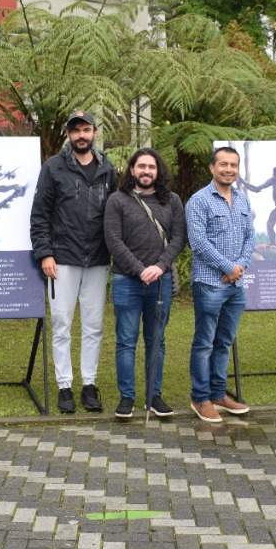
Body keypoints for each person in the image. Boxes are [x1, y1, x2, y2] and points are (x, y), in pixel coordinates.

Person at [29, 109, 118, 414]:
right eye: (76, 130)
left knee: (93, 326)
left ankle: (89, 385)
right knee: (63, 324)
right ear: (68, 134)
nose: (82, 135)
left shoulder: (108, 168)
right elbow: (39, 214)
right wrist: (45, 253)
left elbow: (117, 213)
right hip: (62, 259)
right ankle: (64, 386)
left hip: (97, 258)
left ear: (95, 132)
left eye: (87, 129)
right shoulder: (54, 167)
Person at [103, 147, 186, 419]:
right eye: (141, 166)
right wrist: (140, 270)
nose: (146, 171)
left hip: (160, 282)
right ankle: (127, 397)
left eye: (151, 167)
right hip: (127, 281)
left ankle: (154, 396)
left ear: (158, 171)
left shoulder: (171, 201)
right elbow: (113, 240)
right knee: (126, 341)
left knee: (156, 341)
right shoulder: (117, 200)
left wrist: (160, 267)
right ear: (132, 170)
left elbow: (178, 238)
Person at [185, 146, 255, 423]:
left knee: (224, 342)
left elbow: (251, 236)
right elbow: (198, 243)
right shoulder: (199, 201)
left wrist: (239, 268)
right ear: (212, 168)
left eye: (233, 165)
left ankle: (218, 394)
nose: (228, 169)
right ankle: (200, 398)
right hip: (209, 283)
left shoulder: (242, 199)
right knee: (204, 343)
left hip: (236, 285)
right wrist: (228, 267)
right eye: (223, 164)